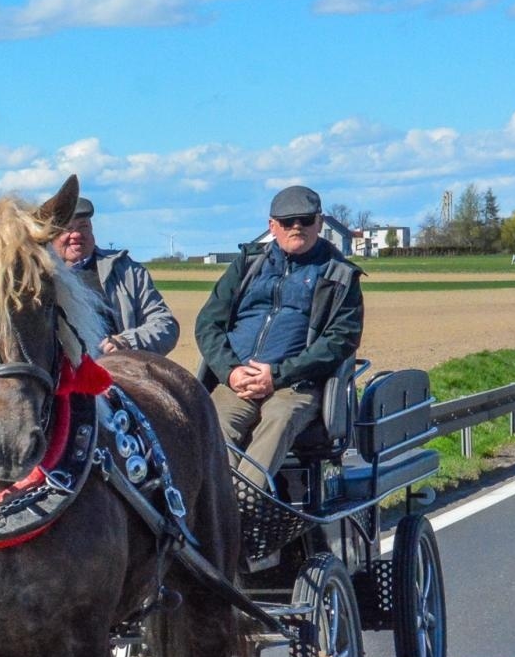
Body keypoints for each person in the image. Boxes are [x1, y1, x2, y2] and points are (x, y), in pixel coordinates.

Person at [196, 184, 363, 487]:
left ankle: (244, 504)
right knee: (214, 421)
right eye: (287, 222)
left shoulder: (339, 274)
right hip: (239, 380)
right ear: (272, 226)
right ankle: (222, 507)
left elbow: (341, 340)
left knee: (279, 420)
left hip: (296, 385)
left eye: (305, 220)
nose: (296, 227)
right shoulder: (248, 264)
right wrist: (230, 372)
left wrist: (277, 375)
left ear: (320, 223)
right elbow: (208, 323)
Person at [53, 197, 179, 355]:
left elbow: (166, 325)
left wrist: (127, 341)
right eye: (68, 228)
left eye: (83, 226)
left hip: (115, 367)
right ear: (52, 235)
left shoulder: (127, 272)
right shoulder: (39, 278)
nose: (76, 235)